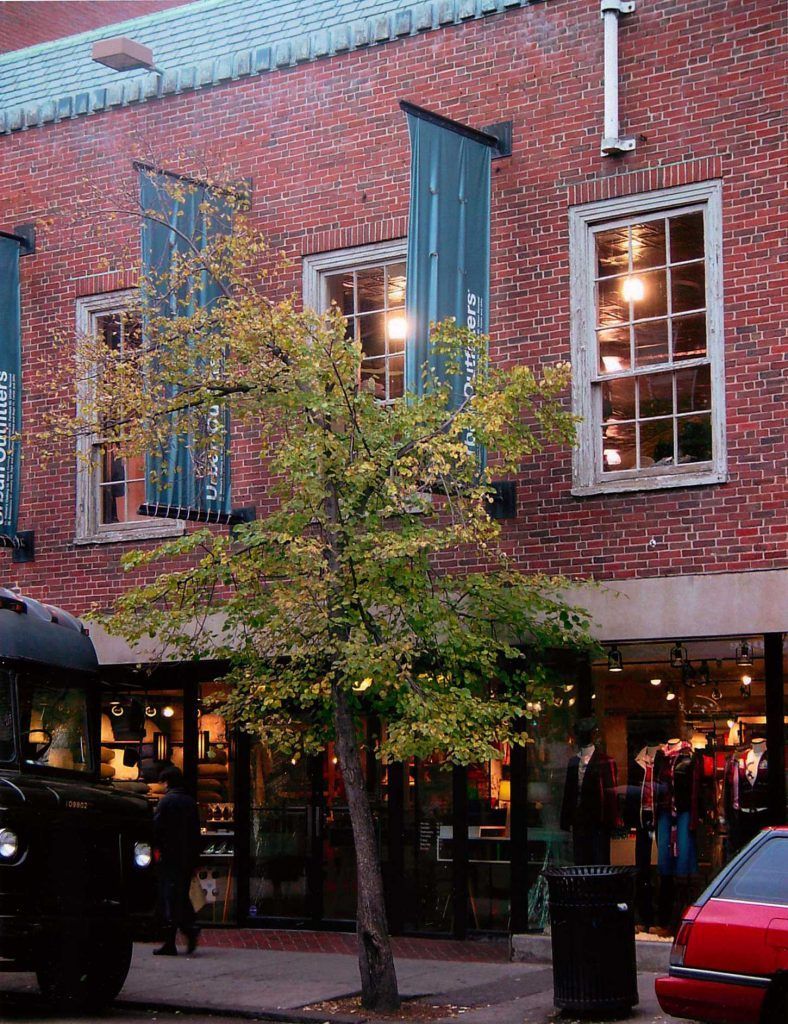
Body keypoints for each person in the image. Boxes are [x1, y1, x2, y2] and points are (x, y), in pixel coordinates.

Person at [153, 765, 201, 955]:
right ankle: (187, 930)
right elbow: (195, 832)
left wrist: (157, 849)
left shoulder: (166, 803)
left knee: (170, 897)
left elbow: (157, 829)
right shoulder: (190, 802)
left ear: (167, 782)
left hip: (170, 856)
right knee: (180, 895)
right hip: (186, 857)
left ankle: (177, 937)